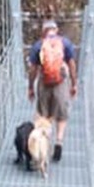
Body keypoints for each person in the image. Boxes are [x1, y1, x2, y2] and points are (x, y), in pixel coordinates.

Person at [27, 17, 77, 162]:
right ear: (56, 30)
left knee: (43, 115)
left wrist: (30, 87)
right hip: (61, 83)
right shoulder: (65, 43)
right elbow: (72, 65)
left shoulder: (38, 45)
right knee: (61, 114)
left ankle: (44, 145)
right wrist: (74, 84)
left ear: (44, 32)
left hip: (44, 82)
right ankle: (59, 142)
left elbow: (33, 70)